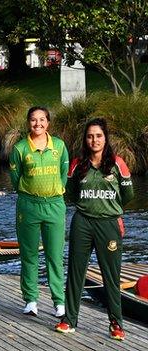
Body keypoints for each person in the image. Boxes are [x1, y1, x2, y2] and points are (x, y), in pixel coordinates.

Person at [55, 118, 133, 340]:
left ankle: (116, 324)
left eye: (98, 135)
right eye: (90, 136)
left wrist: (113, 212)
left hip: (108, 224)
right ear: (85, 139)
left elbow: (128, 195)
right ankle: (69, 320)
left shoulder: (118, 163)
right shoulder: (78, 164)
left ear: (105, 138)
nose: (94, 140)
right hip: (83, 222)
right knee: (75, 271)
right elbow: (70, 194)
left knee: (111, 275)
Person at [9, 106, 68, 317]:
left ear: (48, 122)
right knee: (29, 254)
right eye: (33, 120)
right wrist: (30, 194)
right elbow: (16, 181)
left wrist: (55, 191)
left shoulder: (59, 146)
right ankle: (31, 300)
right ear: (28, 123)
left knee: (55, 255)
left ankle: (59, 302)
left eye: (42, 120)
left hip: (54, 205)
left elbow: (63, 174)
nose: (38, 124)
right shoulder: (20, 149)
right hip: (28, 206)